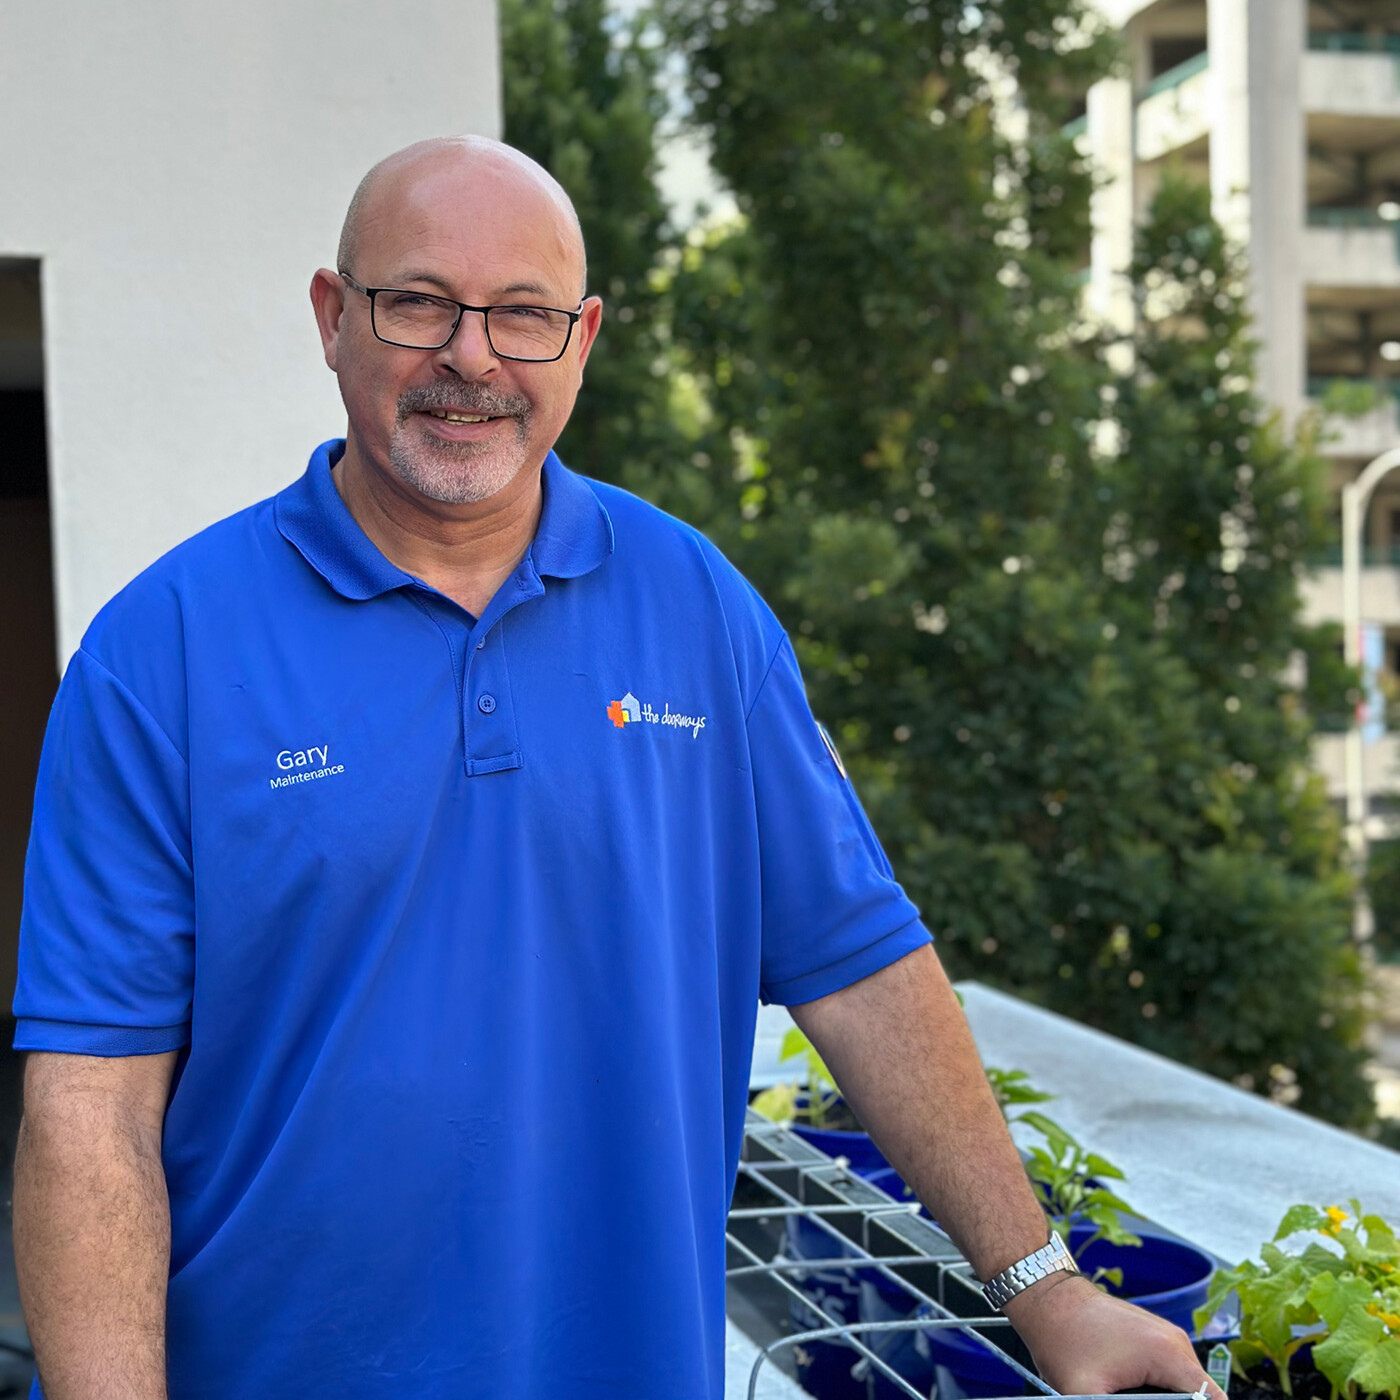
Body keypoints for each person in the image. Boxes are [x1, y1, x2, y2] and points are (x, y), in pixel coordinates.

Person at [11, 136, 1223, 1400]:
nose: (471, 356)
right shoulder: (162, 653)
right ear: (333, 317)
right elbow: (89, 1113)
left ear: (581, 340)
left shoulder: (698, 610)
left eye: (523, 315)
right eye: (418, 301)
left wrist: (1045, 1288)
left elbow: (862, 966)